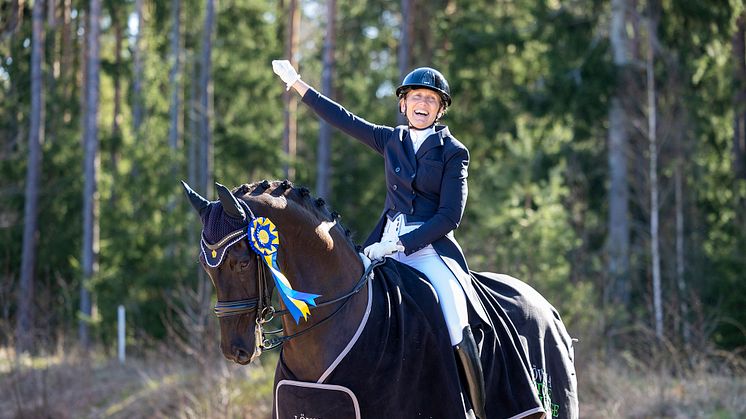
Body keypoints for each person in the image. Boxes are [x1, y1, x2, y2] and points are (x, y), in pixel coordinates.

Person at [272, 60, 488, 418]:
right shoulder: (391, 140)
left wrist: (404, 243)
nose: (423, 104)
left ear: (440, 109)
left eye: (431, 100)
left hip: (430, 249)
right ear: (403, 104)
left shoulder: (453, 152)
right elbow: (342, 118)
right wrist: (297, 83)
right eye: (416, 97)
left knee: (455, 319)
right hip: (381, 245)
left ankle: (474, 409)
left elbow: (451, 216)